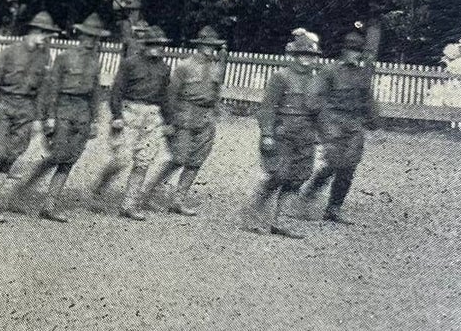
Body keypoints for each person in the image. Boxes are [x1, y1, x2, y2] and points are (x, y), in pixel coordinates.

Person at [17, 13, 110, 221]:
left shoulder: (95, 62)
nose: (91, 42)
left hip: (83, 113)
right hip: (63, 109)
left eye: (95, 38)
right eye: (87, 37)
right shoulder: (65, 57)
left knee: (70, 160)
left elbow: (96, 93)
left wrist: (95, 120)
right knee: (57, 155)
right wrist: (49, 116)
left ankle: (49, 206)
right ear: (80, 36)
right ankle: (21, 190)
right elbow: (52, 88)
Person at [0, 11, 57, 222]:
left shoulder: (45, 56)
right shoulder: (10, 52)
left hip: (27, 110)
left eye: (48, 35)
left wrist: (38, 118)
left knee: (11, 157)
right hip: (5, 105)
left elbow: (43, 90)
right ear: (34, 32)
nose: (46, 39)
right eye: (44, 34)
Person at [242, 27, 322, 236]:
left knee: (298, 177)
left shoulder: (316, 81)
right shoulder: (281, 77)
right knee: (277, 175)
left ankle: (280, 221)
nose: (307, 59)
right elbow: (267, 108)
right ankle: (252, 216)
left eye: (311, 56)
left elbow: (319, 110)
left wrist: (320, 133)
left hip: (306, 136)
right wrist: (267, 134)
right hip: (283, 133)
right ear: (294, 56)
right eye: (303, 55)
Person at [296, 28, 381, 223]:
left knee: (349, 168)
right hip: (333, 123)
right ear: (344, 51)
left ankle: (333, 209)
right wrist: (320, 120)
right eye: (352, 50)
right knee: (333, 163)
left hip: (354, 125)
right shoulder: (329, 72)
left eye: (358, 51)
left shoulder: (361, 75)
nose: (355, 55)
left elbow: (368, 100)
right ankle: (307, 195)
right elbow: (313, 97)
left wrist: (375, 123)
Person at [93, 23, 172, 219]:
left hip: (152, 115)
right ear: (144, 44)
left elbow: (164, 96)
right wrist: (117, 116)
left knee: (143, 161)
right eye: (152, 44)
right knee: (122, 159)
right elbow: (116, 92)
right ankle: (98, 190)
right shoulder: (130, 64)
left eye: (160, 44)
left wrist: (169, 120)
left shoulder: (164, 68)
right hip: (130, 112)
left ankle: (129, 205)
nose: (156, 48)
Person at [146, 26, 225, 215]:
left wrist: (214, 112)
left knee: (196, 161)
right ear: (198, 45)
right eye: (205, 45)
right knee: (178, 158)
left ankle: (178, 200)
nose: (209, 49)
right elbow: (171, 95)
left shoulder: (216, 67)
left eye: (212, 46)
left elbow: (216, 92)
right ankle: (148, 193)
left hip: (205, 118)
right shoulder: (185, 66)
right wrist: (169, 121)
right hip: (185, 114)